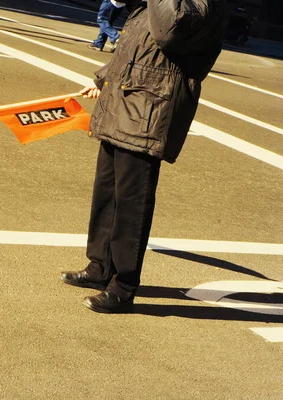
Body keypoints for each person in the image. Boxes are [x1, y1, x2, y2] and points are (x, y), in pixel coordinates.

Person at [61, 0, 228, 313]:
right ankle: (100, 266)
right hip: (125, 99)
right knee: (107, 192)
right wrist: (102, 78)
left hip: (151, 106)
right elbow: (134, 45)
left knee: (131, 201)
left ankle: (123, 285)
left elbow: (170, 31)